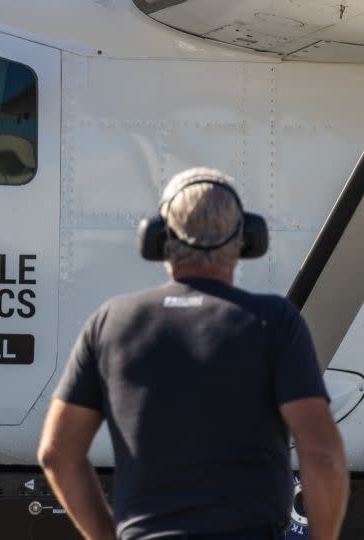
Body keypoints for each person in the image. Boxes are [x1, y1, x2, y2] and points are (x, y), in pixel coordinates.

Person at [37, 168, 349, 540]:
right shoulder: (275, 322)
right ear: (247, 238)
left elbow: (57, 453)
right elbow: (323, 454)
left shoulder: (111, 323)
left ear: (158, 238)